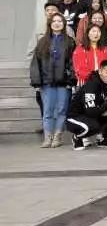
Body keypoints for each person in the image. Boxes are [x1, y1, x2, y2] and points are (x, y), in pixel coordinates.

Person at [30, 13, 76, 148]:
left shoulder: (70, 42)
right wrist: (37, 81)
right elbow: (36, 63)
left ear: (64, 24)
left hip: (64, 82)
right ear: (50, 24)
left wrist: (71, 79)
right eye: (54, 21)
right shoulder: (42, 42)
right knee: (48, 110)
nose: (57, 23)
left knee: (62, 110)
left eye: (60, 21)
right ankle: (47, 137)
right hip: (47, 82)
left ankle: (57, 136)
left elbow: (73, 62)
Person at [66, 59, 107, 150]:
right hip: (75, 117)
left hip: (94, 113)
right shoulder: (91, 85)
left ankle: (102, 139)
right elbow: (91, 111)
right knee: (93, 126)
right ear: (100, 71)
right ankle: (77, 137)